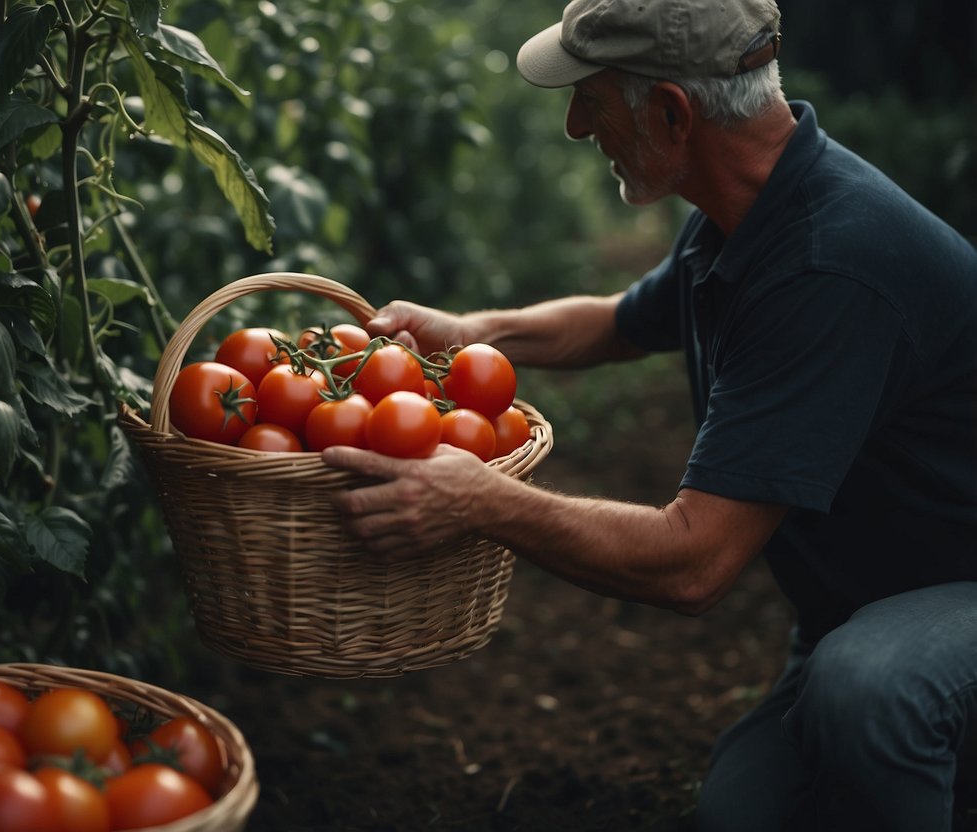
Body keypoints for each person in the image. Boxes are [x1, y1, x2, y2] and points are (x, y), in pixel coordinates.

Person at [319, 0, 977, 829]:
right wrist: (476, 333)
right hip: (861, 609)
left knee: (871, 690)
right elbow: (620, 321)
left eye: (589, 99)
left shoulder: (829, 267)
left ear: (672, 111)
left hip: (941, 609)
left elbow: (693, 563)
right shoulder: (747, 212)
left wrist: (480, 501)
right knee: (739, 811)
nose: (570, 125)